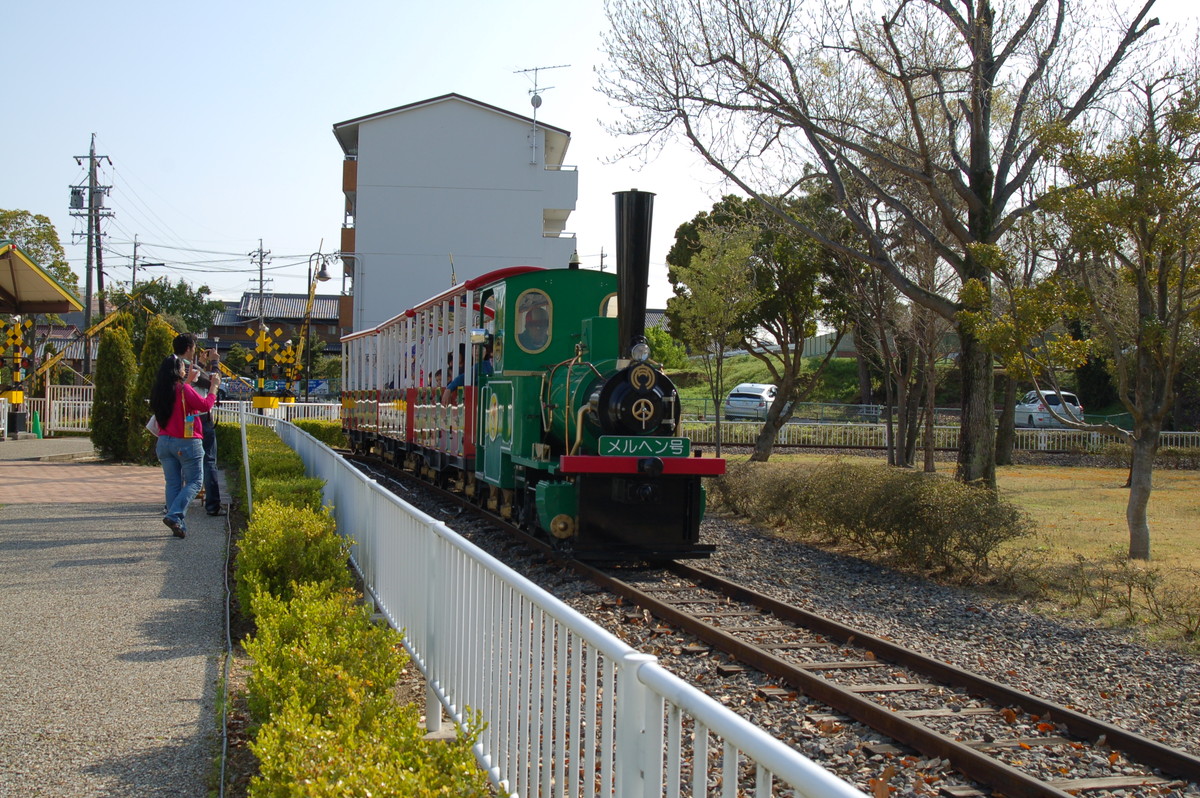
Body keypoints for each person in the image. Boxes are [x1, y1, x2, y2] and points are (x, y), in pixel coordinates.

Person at [151, 342, 220, 538]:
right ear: (176, 371)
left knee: (172, 483)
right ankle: (174, 515)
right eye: (182, 367)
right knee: (196, 482)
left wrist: (188, 381)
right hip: (187, 441)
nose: (185, 369)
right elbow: (205, 405)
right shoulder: (182, 388)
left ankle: (177, 524)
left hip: (164, 442)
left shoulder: (161, 390)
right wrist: (214, 388)